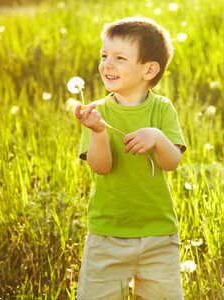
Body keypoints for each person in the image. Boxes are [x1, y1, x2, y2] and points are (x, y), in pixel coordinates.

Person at [74, 17, 187, 299]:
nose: (107, 64)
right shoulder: (97, 112)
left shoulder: (162, 109)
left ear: (148, 69)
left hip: (158, 236)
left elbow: (171, 163)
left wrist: (157, 138)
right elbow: (101, 167)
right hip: (108, 235)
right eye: (104, 56)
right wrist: (98, 132)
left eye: (120, 58)